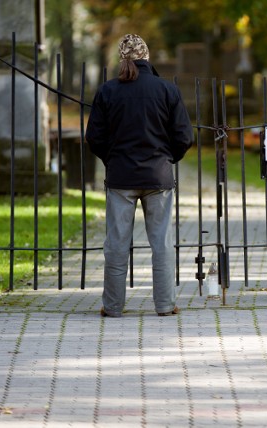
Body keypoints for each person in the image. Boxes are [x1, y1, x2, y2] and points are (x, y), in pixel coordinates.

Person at [86, 34, 194, 317]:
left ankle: (112, 307)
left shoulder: (108, 91)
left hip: (120, 177)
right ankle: (165, 305)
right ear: (147, 57)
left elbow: (94, 137)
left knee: (117, 245)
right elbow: (184, 136)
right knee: (161, 243)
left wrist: (112, 159)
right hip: (158, 177)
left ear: (121, 58)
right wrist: (167, 159)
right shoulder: (167, 90)